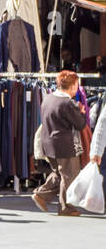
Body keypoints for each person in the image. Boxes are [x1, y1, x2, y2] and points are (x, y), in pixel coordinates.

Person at [33, 70, 90, 217]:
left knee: (59, 173)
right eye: (76, 85)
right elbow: (80, 124)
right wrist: (81, 112)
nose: (77, 88)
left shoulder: (48, 99)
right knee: (70, 174)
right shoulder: (67, 103)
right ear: (71, 86)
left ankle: (41, 194)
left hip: (48, 143)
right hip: (65, 144)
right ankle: (66, 207)